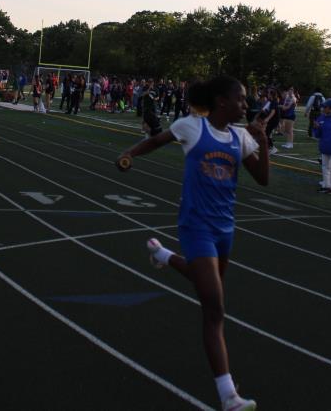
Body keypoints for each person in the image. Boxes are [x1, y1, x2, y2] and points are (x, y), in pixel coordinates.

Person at [116, 76, 272, 411]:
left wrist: (262, 141)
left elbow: (263, 179)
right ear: (221, 101)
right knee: (214, 308)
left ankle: (163, 255)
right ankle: (228, 396)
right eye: (241, 99)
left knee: (208, 288)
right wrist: (130, 153)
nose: (246, 105)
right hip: (195, 226)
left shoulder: (240, 137)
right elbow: (156, 141)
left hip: (225, 228)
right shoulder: (191, 126)